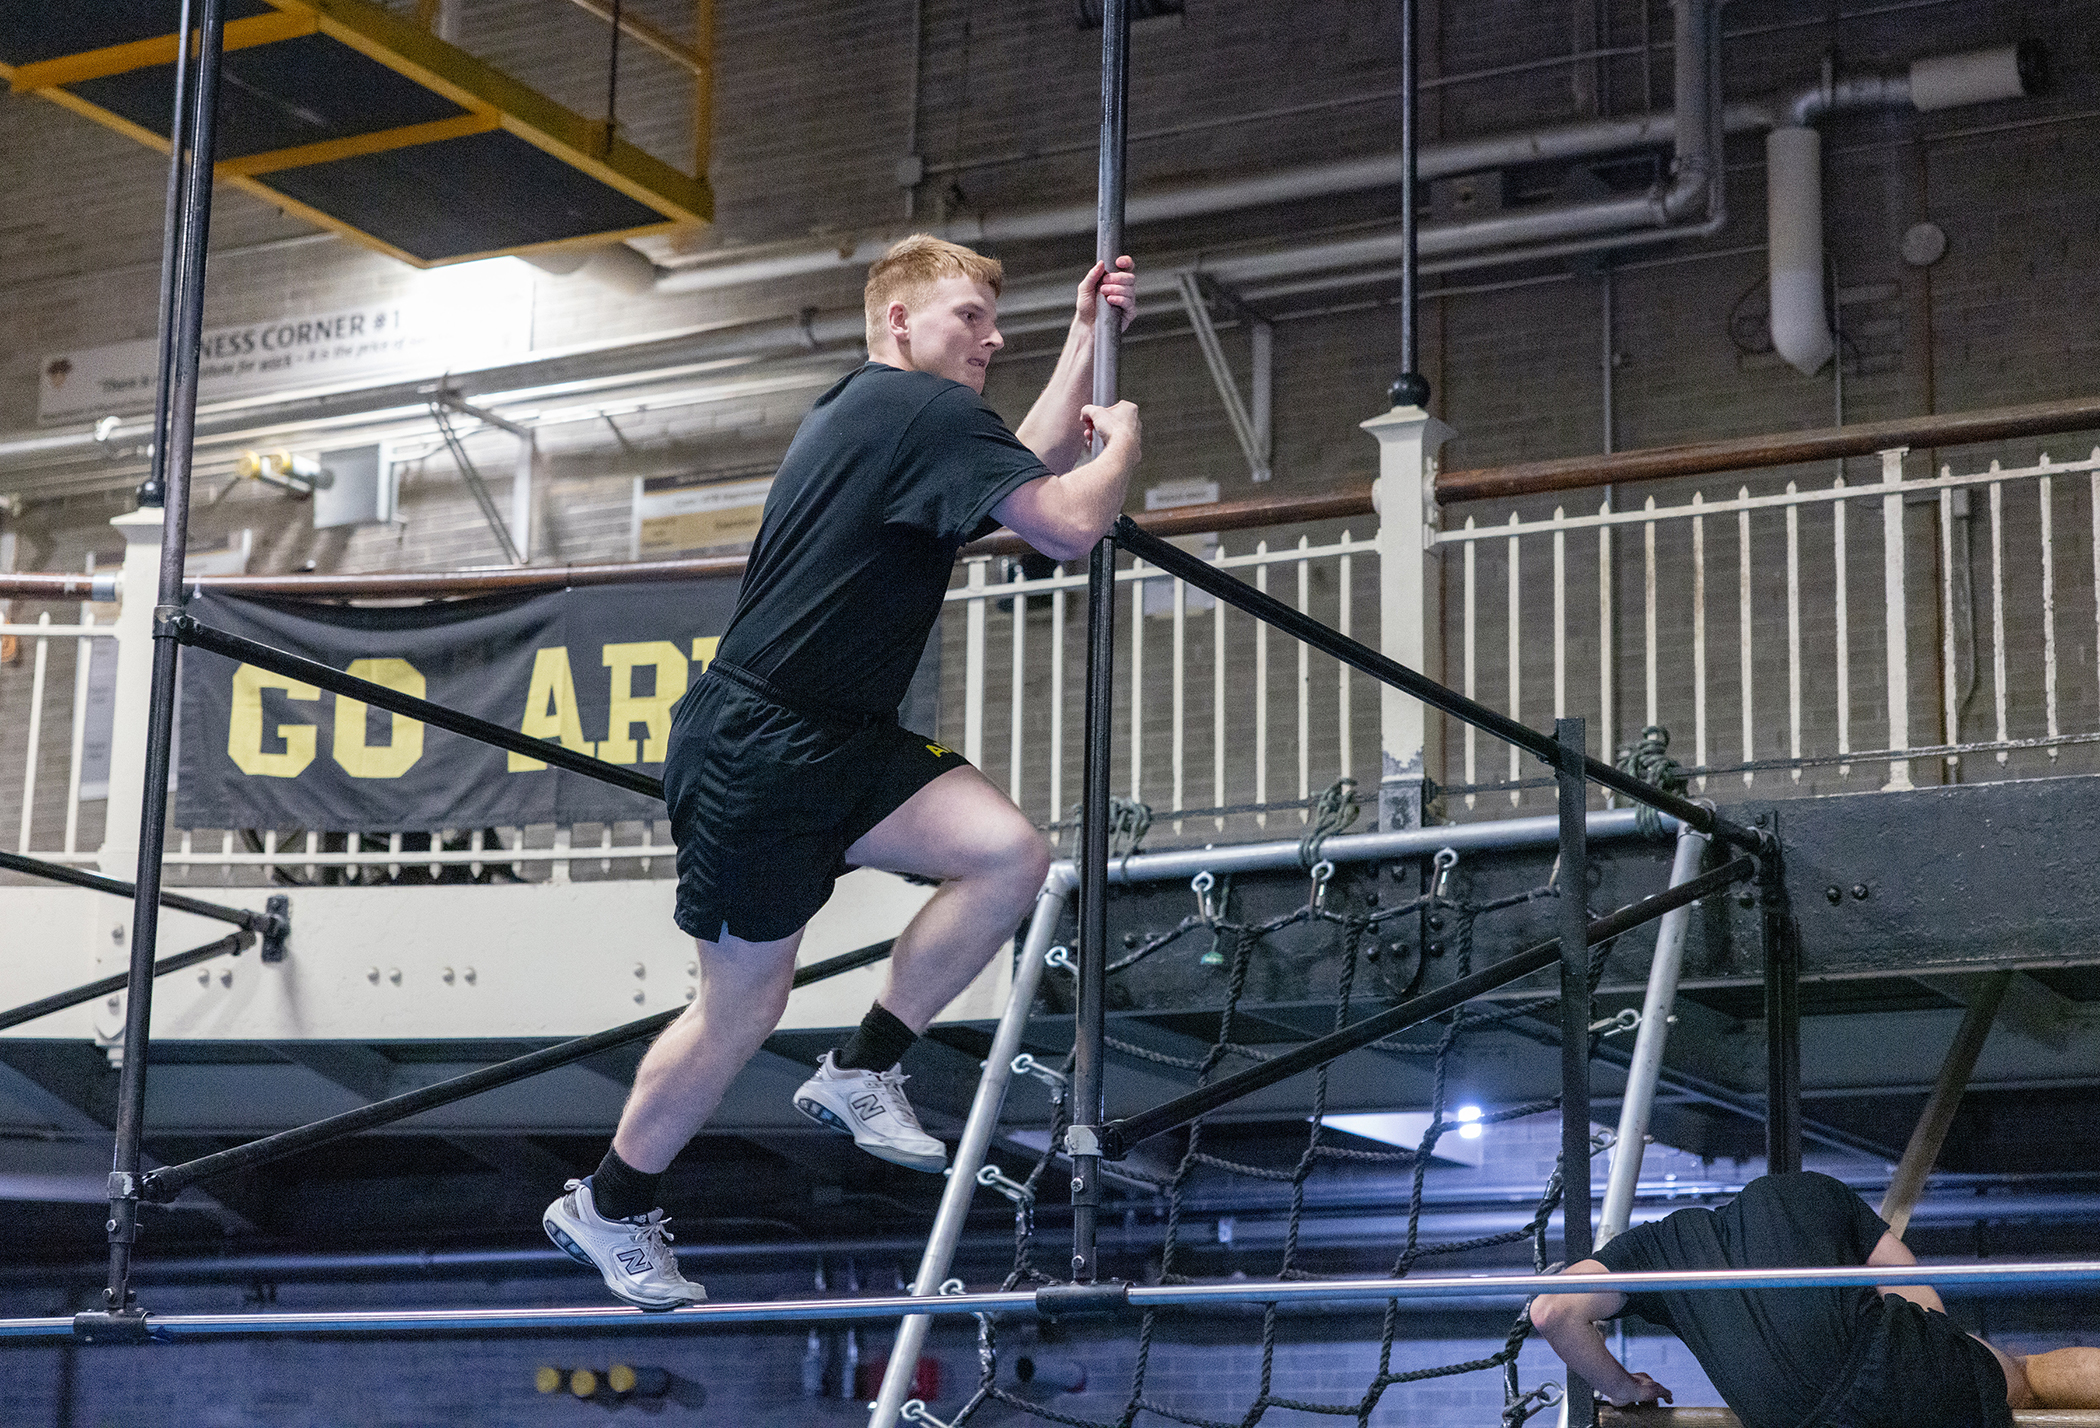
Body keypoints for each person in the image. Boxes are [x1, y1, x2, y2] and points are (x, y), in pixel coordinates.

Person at [543, 235, 1142, 1310]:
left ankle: (864, 1067)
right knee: (740, 1007)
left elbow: (1022, 462)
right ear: (900, 321)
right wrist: (1126, 443)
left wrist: (1086, 335)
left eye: (996, 322)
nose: (992, 339)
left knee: (1007, 856)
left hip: (846, 736)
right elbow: (1066, 523)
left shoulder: (902, 417)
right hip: (760, 748)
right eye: (969, 318)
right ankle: (609, 1205)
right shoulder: (918, 410)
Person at [1530, 1171, 2100, 1428]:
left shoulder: (1652, 1248)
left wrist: (1624, 1388)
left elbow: (1552, 1311)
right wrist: (1937, 1353)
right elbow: (1906, 1278)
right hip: (1888, 1362)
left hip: (1792, 1419)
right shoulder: (1811, 1191)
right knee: (2026, 1377)